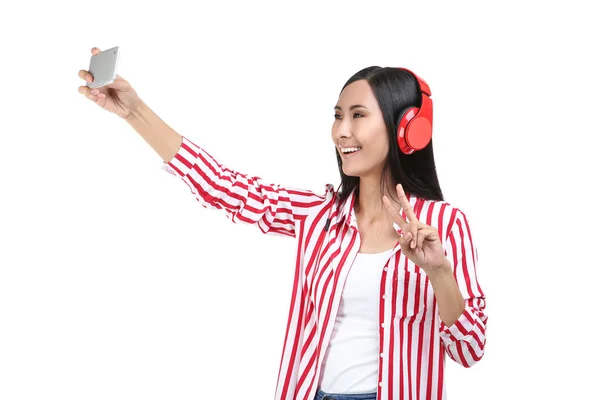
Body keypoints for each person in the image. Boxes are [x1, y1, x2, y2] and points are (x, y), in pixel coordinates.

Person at [78, 46, 487, 400]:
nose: (340, 132)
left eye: (358, 115)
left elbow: (469, 349)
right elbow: (222, 186)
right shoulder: (319, 216)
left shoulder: (445, 224)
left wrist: (438, 271)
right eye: (337, 115)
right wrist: (133, 111)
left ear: (406, 129)